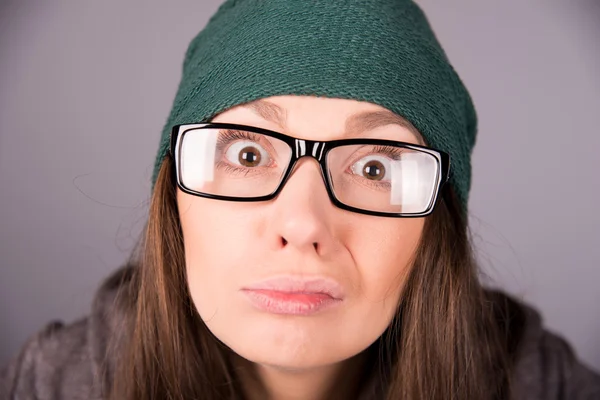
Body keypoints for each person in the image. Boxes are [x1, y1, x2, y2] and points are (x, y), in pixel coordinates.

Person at [1, 0, 599, 399]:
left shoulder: (543, 385)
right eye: (247, 155)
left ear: (436, 226)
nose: (302, 223)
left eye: (373, 166)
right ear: (172, 199)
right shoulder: (53, 383)